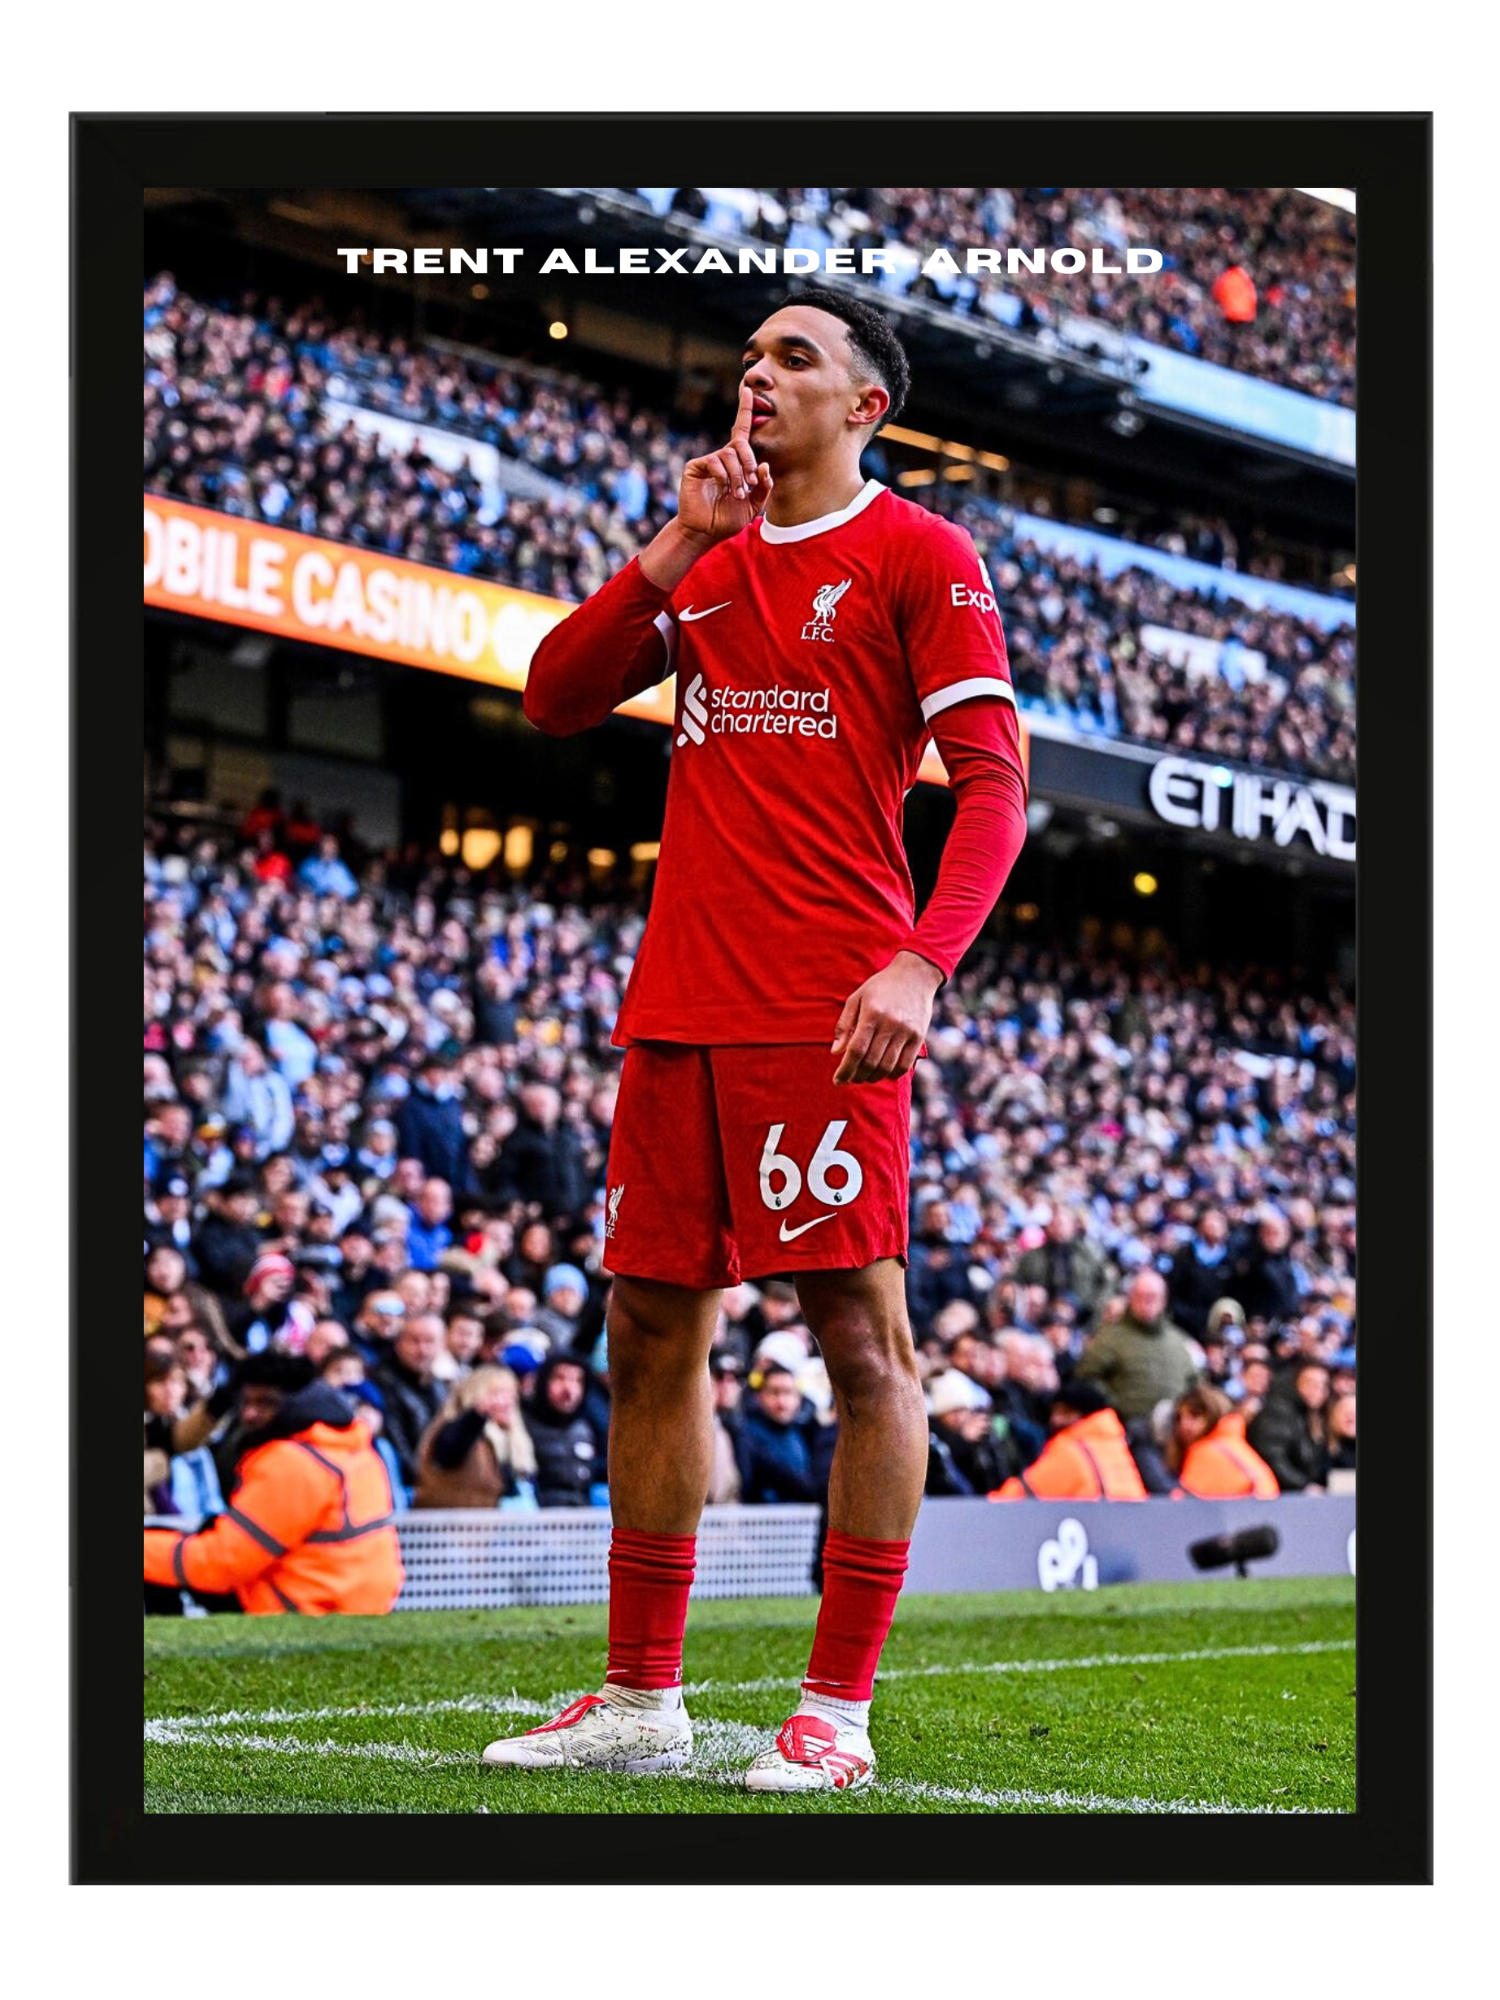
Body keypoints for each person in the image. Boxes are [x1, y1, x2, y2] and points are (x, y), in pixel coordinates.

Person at [483, 288, 1027, 1792]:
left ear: (867, 406)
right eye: (750, 359)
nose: (759, 377)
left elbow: (994, 786)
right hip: (679, 1002)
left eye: (796, 357)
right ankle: (640, 1695)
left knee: (860, 1340)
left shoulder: (922, 551)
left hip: (826, 1006)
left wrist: (921, 961)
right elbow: (554, 698)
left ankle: (834, 1710)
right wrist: (675, 540)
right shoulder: (712, 557)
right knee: (650, 1333)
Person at [144, 1352, 403, 1615]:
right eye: (246, 1402)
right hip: (354, 1600)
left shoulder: (293, 1461)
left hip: (305, 1607)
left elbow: (223, 1562)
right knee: (199, 1533)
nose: (250, 1413)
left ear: (296, 1403)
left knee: (159, 1557)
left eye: (265, 1403)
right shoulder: (347, 1444)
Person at [1072, 1269, 1201, 1423]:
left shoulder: (1179, 1340)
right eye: (1140, 1296)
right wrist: (1113, 1405)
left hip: (1173, 1428)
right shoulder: (1108, 1337)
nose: (1147, 1302)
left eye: (1152, 1296)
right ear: (1131, 1298)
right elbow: (1086, 1377)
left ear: (1164, 1300)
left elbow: (1196, 1382)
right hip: (1122, 1426)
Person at [988, 1380, 1148, 1501]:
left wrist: (985, 1507)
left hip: (1094, 1529)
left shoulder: (1072, 1448)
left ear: (1084, 1414)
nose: (1055, 1420)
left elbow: (1026, 1492)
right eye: (1055, 1413)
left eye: (1065, 1413)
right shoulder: (1114, 1445)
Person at [414, 1366, 538, 1509]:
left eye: (510, 1395)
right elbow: (447, 1453)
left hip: (488, 1520)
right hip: (450, 1519)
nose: (506, 1402)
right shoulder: (459, 1427)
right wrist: (477, 1415)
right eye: (497, 1394)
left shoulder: (511, 1439)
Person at [370, 1313, 448, 1498]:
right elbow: (396, 1442)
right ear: (398, 1343)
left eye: (429, 1342)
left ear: (442, 1345)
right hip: (404, 1488)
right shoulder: (382, 1381)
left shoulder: (439, 1386)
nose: (422, 1350)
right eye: (414, 1341)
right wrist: (427, 1481)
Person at [1167, 1385, 1280, 1499]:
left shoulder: (1206, 1451)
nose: (1185, 1425)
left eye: (1195, 1415)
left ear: (1213, 1414)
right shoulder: (1232, 1444)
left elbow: (1183, 1502)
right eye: (1179, 1418)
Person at [525, 1353, 603, 1506]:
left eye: (577, 1381)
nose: (568, 1389)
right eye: (559, 1378)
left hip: (582, 1515)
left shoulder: (585, 1429)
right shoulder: (523, 1425)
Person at [1248, 1360, 1331, 1493]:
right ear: (1295, 1383)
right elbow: (1272, 1457)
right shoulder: (1277, 1412)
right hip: (1280, 1495)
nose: (1316, 1390)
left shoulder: (1310, 1416)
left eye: (1322, 1385)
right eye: (1310, 1383)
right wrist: (1303, 1486)